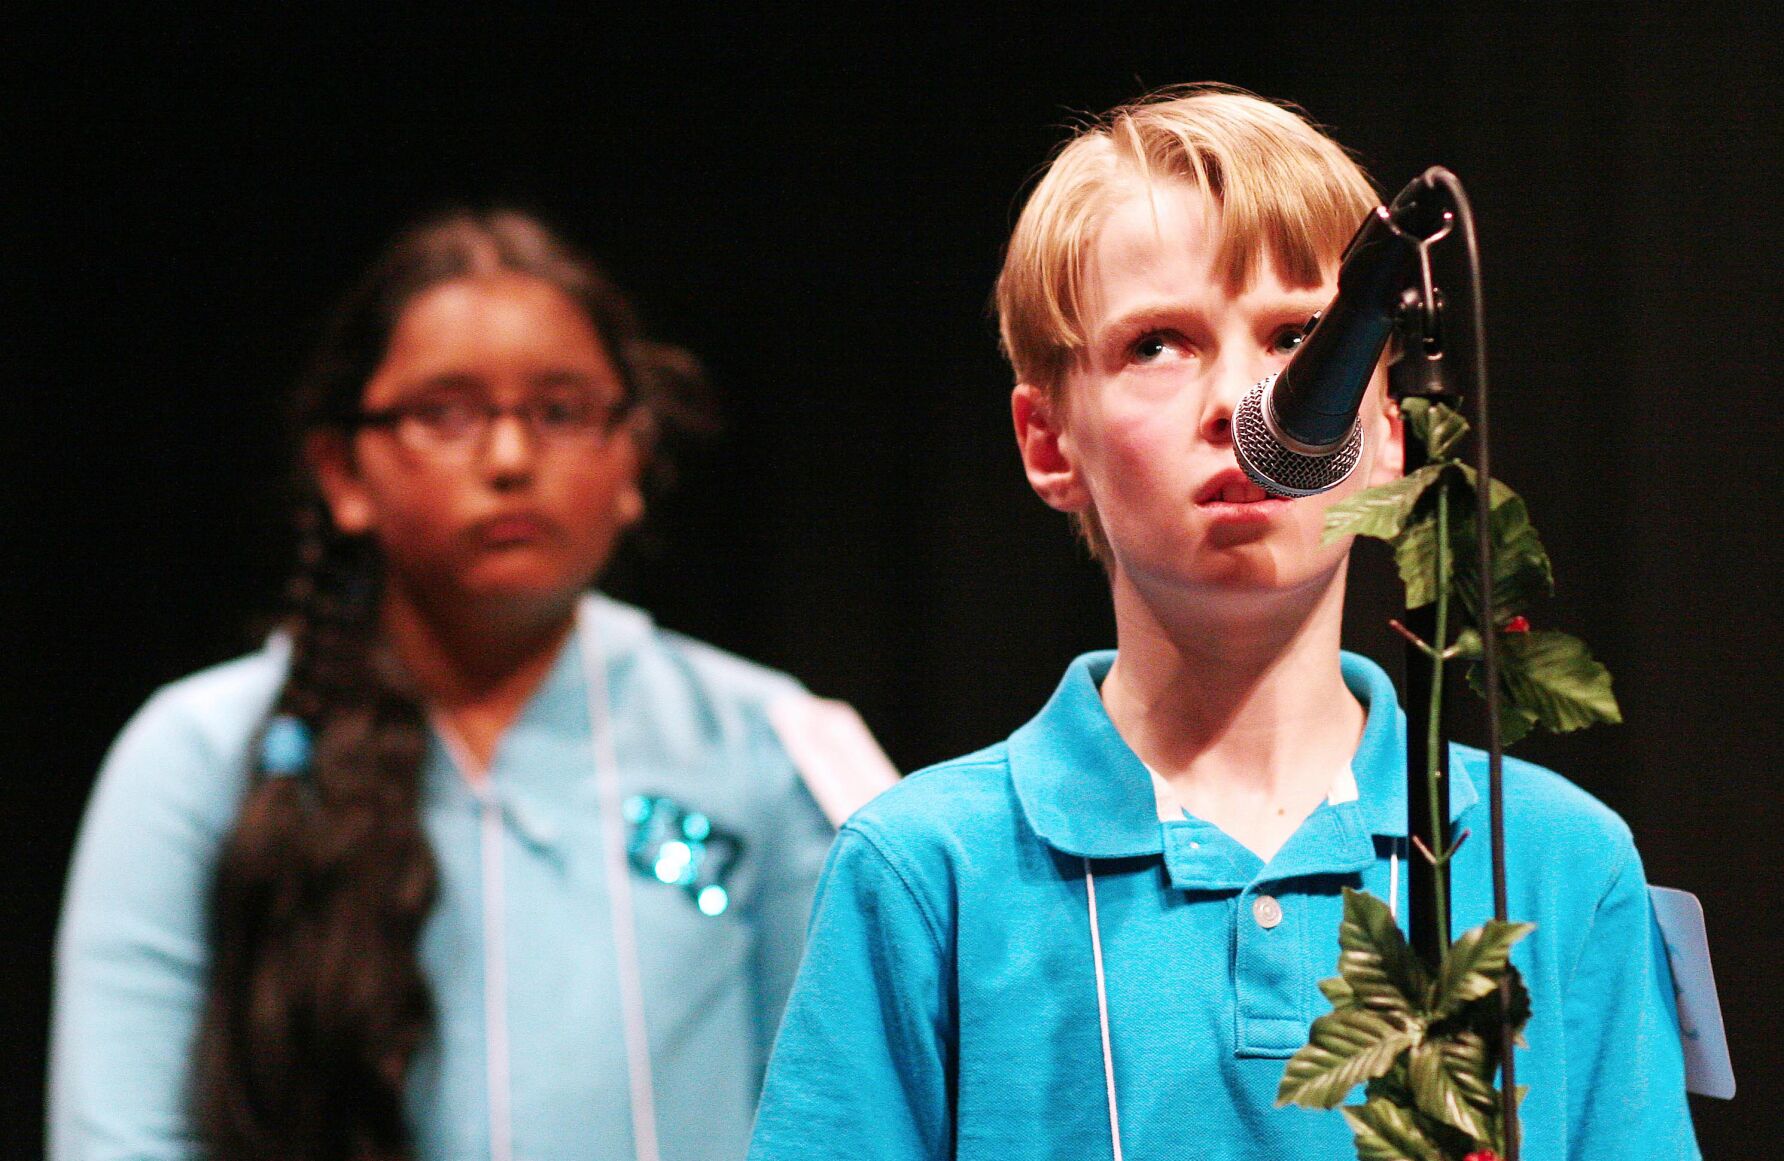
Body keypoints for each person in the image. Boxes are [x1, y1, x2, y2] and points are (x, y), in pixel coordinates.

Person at [747, 86, 1698, 1160]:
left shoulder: (1555, 861)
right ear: (1047, 441)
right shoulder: (927, 872)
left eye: (1301, 334)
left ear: (1387, 433)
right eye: (1157, 344)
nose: (1242, 406)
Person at [50, 210, 892, 1161]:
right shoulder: (198, 756)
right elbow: (119, 1138)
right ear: (343, 471)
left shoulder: (769, 745)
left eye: (562, 411)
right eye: (446, 414)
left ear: (633, 459)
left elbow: (853, 1126)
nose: (508, 459)